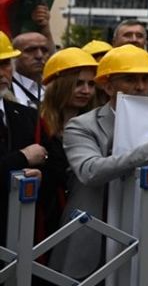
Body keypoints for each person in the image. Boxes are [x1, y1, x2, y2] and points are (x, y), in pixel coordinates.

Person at [53, 45, 148, 279]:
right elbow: (90, 171)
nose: (140, 87)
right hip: (94, 240)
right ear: (107, 86)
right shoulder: (82, 126)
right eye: (129, 79)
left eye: (145, 79)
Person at [36, 47, 98, 245]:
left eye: (91, 84)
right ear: (59, 85)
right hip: (46, 218)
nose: (86, 91)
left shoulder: (97, 125)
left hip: (87, 218)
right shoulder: (36, 123)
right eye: (78, 83)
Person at [0, 32, 45, 245]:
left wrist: (39, 173)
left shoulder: (25, 114)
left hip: (19, 229)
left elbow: (46, 160)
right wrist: (22, 158)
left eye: (5, 64)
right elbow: (26, 156)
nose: (2, 73)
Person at [11, 31, 51, 107]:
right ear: (14, 55)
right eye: (30, 50)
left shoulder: (52, 87)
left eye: (44, 50)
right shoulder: (5, 88)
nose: (39, 56)